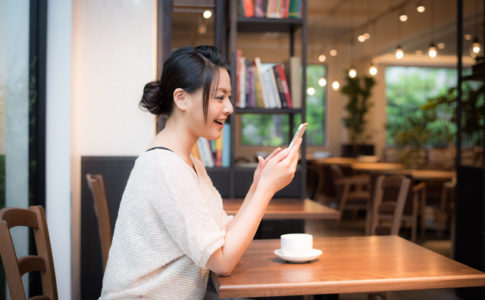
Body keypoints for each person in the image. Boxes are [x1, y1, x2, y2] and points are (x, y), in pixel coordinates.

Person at [99, 45, 302, 299]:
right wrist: (266, 189)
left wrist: (257, 186)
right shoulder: (165, 167)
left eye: (228, 97)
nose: (229, 108)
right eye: (219, 97)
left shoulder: (187, 163)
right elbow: (223, 262)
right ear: (181, 98)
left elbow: (223, 235)